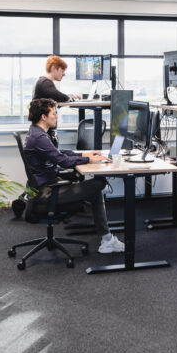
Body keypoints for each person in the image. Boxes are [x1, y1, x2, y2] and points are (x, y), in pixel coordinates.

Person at [24, 98, 124, 254]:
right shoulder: (40, 137)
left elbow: (59, 153)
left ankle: (107, 239)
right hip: (48, 193)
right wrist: (89, 159)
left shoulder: (36, 133)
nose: (56, 116)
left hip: (45, 187)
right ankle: (107, 240)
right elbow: (62, 161)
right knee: (98, 185)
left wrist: (84, 154)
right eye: (53, 113)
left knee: (94, 188)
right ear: (43, 117)